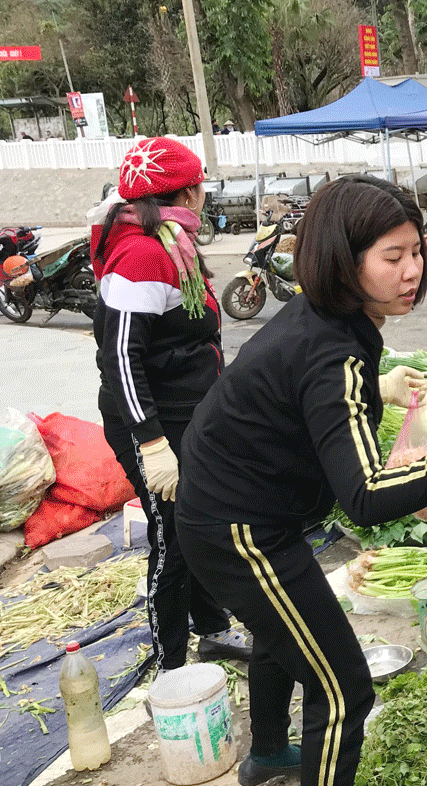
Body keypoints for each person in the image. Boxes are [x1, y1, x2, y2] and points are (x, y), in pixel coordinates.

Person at [174, 176, 427, 786]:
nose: (413, 270)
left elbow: (297, 395)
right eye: (393, 257)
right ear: (343, 261)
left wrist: (377, 390)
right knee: (343, 689)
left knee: (286, 633)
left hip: (240, 510)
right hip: (238, 529)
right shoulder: (336, 350)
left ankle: (270, 754)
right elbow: (366, 500)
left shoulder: (328, 320)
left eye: (416, 251)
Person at [92, 137, 252, 675]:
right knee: (174, 536)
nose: (205, 193)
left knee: (198, 524)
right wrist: (152, 442)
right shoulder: (139, 255)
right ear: (185, 190)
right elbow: (120, 357)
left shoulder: (169, 240)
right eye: (200, 184)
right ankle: (171, 666)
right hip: (151, 423)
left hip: (187, 415)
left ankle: (210, 632)